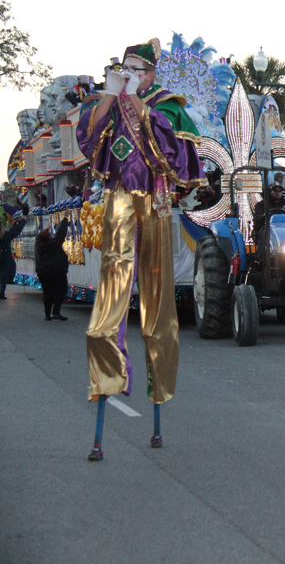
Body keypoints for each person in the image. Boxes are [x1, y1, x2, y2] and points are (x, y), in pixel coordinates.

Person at [76, 38, 206, 459]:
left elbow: (170, 151)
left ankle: (158, 384)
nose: (128, 71)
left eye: (135, 68)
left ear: (150, 73)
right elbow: (88, 140)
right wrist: (111, 94)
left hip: (154, 201)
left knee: (157, 299)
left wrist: (134, 101)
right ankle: (105, 373)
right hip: (116, 198)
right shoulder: (111, 103)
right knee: (110, 294)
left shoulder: (166, 104)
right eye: (123, 66)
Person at [35, 218, 71, 320]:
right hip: (57, 271)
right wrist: (64, 219)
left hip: (43, 272)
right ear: (49, 237)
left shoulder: (38, 245)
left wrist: (46, 229)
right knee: (60, 291)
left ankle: (47, 314)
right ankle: (56, 312)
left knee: (47, 292)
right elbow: (61, 232)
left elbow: (39, 237)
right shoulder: (54, 243)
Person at [0, 208, 28, 299]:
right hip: (4, 256)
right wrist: (24, 217)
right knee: (3, 275)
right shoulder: (5, 236)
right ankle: (1, 292)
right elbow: (17, 230)